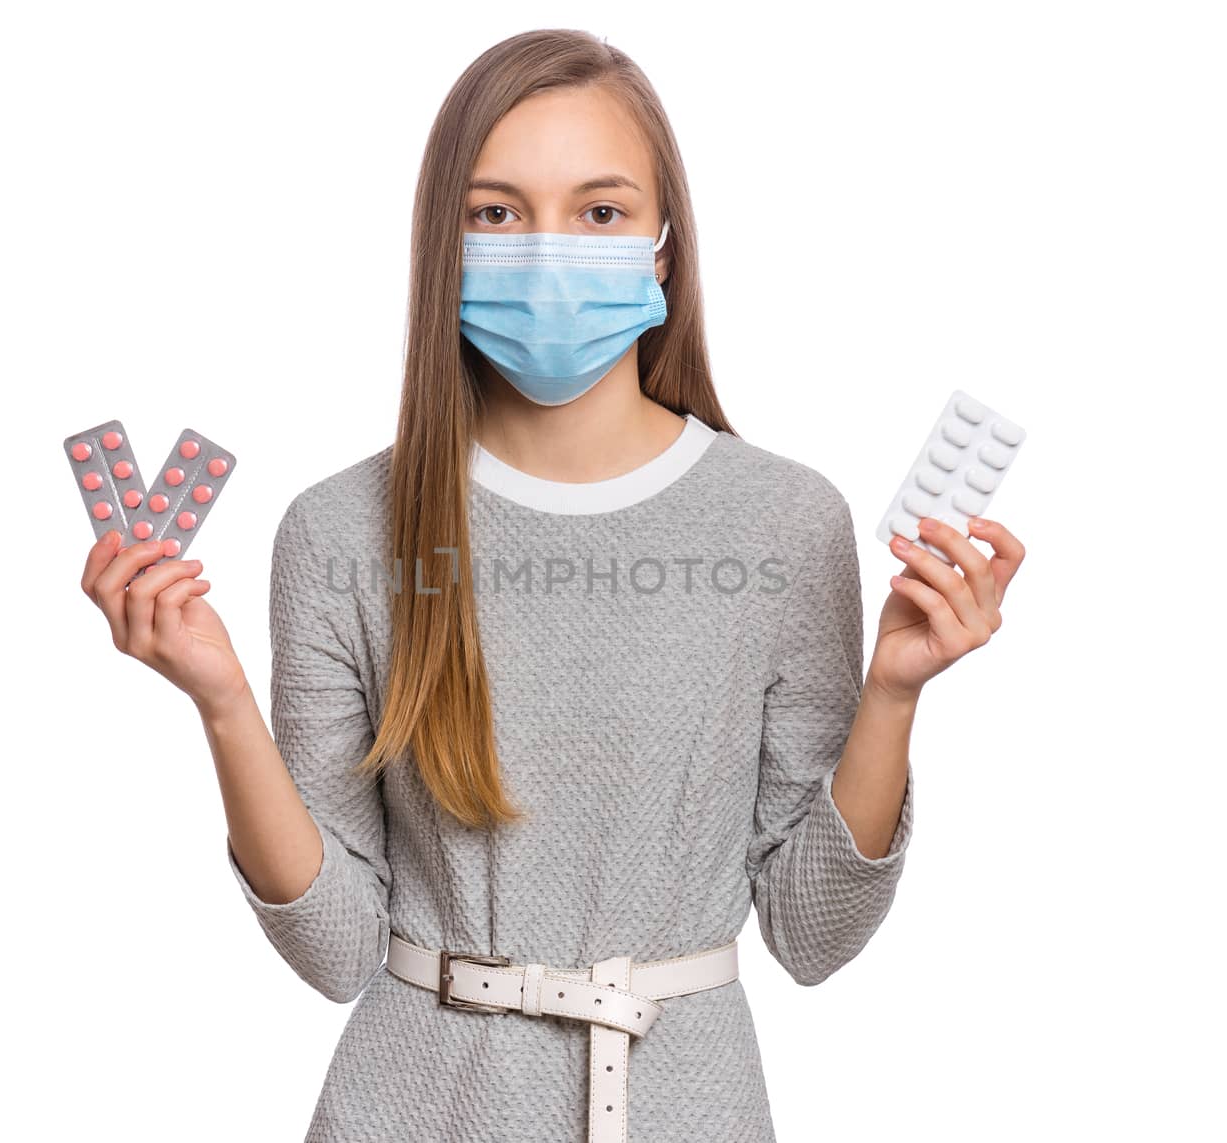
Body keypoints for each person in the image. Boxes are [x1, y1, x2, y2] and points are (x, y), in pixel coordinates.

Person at [79, 28, 1025, 1143]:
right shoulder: (340, 532)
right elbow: (335, 950)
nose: (546, 252)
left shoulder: (783, 523)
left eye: (600, 212)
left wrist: (895, 695)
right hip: (411, 1107)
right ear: (446, 247)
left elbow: (813, 935)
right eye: (496, 213)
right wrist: (222, 701)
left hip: (686, 1108)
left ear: (664, 249)